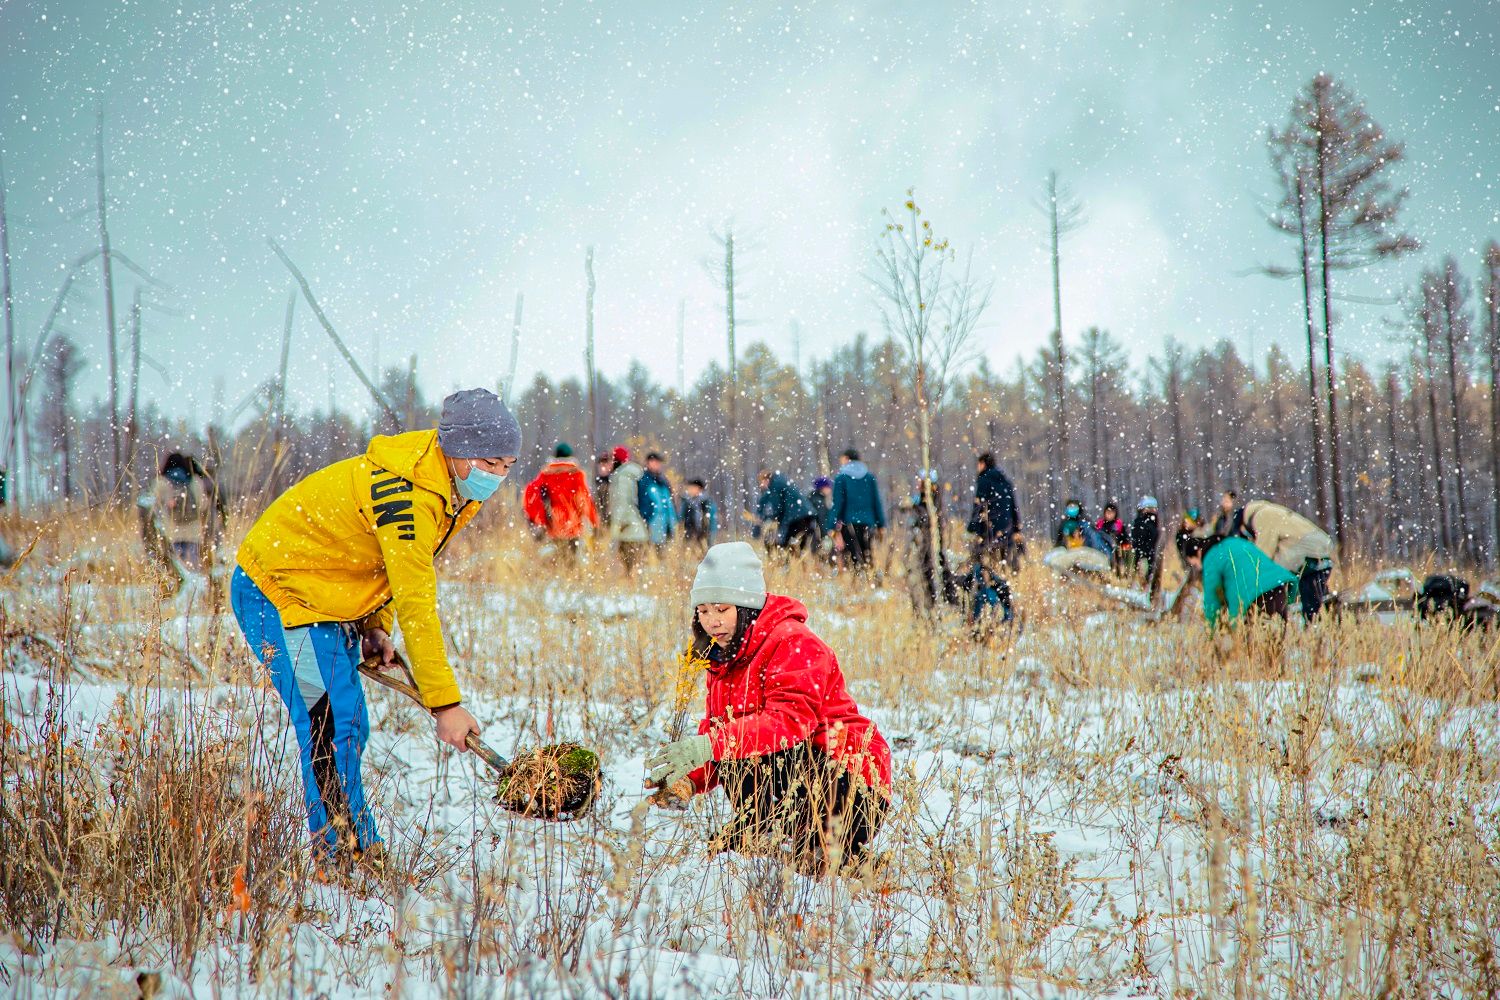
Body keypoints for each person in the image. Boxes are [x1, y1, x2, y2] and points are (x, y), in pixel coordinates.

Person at [231, 388, 520, 865]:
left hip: (328, 595)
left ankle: (355, 842)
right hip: (281, 591)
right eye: (490, 463)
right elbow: (416, 598)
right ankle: (343, 854)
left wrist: (374, 626)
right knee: (330, 722)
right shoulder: (407, 494)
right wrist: (445, 703)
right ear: (458, 450)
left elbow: (386, 564)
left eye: (507, 466)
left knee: (350, 723)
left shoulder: (447, 483)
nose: (498, 477)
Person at [644, 542, 892, 877]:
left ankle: (831, 850)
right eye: (703, 611)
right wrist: (687, 778)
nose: (712, 622)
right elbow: (720, 729)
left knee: (812, 861)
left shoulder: (793, 641)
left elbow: (789, 723)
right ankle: (769, 833)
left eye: (721, 609)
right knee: (726, 851)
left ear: (745, 607)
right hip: (791, 777)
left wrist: (710, 745)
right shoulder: (722, 655)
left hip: (847, 779)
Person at [1235, 500, 1336, 621]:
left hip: (1310, 550)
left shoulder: (1261, 516)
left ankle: (1289, 612)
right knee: (1315, 594)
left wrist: (1248, 578)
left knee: (1284, 577)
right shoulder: (1268, 511)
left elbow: (1263, 554)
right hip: (1318, 545)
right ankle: (1332, 615)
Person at [1180, 533, 1298, 627]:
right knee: (1275, 644)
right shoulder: (1235, 542)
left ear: (1198, 553)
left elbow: (1212, 599)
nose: (1199, 569)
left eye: (1195, 565)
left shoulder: (1210, 557)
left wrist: (1212, 633)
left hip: (1256, 598)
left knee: (1256, 647)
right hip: (1278, 589)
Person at [522, 442, 599, 557]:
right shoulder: (576, 475)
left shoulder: (545, 475)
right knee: (571, 561)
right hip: (573, 526)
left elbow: (531, 496)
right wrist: (594, 521)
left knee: (555, 561)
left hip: (552, 526)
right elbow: (584, 501)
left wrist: (538, 519)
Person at [144, 452, 214, 572]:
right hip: (193, 531)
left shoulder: (161, 482)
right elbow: (203, 505)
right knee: (193, 565)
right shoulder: (195, 481)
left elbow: (151, 504)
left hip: (172, 530)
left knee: (178, 566)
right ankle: (195, 587)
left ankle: (180, 587)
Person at [832, 449, 886, 571]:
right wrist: (881, 524)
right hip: (868, 523)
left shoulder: (842, 478)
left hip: (849, 523)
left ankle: (856, 583)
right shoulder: (869, 477)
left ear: (846, 459)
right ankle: (869, 581)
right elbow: (876, 502)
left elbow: (837, 504)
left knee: (852, 557)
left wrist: (832, 525)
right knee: (867, 555)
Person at [967, 453, 1020, 570]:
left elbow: (979, 506)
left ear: (983, 464)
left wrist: (972, 527)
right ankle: (1007, 583)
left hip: (989, 530)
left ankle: (988, 583)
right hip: (1007, 529)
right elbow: (1013, 507)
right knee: (1006, 565)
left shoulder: (984, 481)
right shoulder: (1006, 482)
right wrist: (1016, 528)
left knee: (988, 566)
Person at [756, 469, 821, 554]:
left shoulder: (775, 485)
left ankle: (787, 564)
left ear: (766, 479)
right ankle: (802, 562)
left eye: (762, 482)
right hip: (806, 514)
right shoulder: (781, 481)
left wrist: (768, 518)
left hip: (797, 517)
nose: (762, 485)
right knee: (801, 545)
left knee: (786, 544)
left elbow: (777, 507)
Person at [608, 448, 649, 572]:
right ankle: (635, 586)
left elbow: (622, 501)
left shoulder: (622, 476)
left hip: (628, 527)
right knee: (637, 566)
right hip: (637, 527)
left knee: (628, 567)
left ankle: (631, 587)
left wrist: (616, 523)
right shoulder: (634, 473)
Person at [638, 452, 678, 547]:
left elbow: (670, 503)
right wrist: (646, 519)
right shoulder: (644, 480)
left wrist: (673, 520)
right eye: (654, 462)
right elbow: (642, 502)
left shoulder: (663, 481)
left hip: (666, 526)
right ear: (648, 463)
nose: (657, 464)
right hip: (652, 526)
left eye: (658, 462)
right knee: (652, 556)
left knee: (664, 556)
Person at [679, 478, 719, 550]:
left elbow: (712, 520)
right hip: (690, 534)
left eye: (692, 488)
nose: (689, 490)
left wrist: (710, 534)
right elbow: (681, 517)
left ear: (699, 489)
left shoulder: (707, 501)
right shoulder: (686, 501)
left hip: (704, 534)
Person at [1130, 496, 1161, 583]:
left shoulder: (1144, 522)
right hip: (1144, 557)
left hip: (1146, 556)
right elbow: (1140, 543)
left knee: (1147, 580)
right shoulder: (1143, 523)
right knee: (1145, 580)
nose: (1153, 511)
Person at [594, 450, 620, 525]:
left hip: (611, 517)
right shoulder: (598, 483)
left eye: (606, 463)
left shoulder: (613, 482)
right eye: (601, 463)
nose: (603, 466)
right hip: (601, 518)